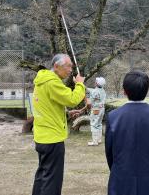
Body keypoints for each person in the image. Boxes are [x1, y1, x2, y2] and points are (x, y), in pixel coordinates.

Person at [105, 70, 149, 195]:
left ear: (124, 90)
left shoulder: (113, 117)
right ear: (147, 89)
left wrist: (118, 169)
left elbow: (110, 153)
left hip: (121, 179)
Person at [32, 54, 85, 195]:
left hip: (42, 137)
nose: (70, 71)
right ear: (56, 66)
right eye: (68, 66)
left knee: (42, 176)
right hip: (52, 139)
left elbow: (49, 107)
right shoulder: (52, 82)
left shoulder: (43, 80)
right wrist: (80, 84)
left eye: (71, 67)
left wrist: (67, 113)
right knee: (52, 181)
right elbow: (73, 99)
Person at [87, 77, 106, 146]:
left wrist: (87, 97)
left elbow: (90, 102)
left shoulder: (95, 91)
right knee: (99, 123)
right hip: (102, 109)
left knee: (94, 124)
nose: (95, 81)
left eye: (96, 81)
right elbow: (91, 90)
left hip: (96, 109)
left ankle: (94, 142)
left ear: (97, 83)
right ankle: (99, 139)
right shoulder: (103, 90)